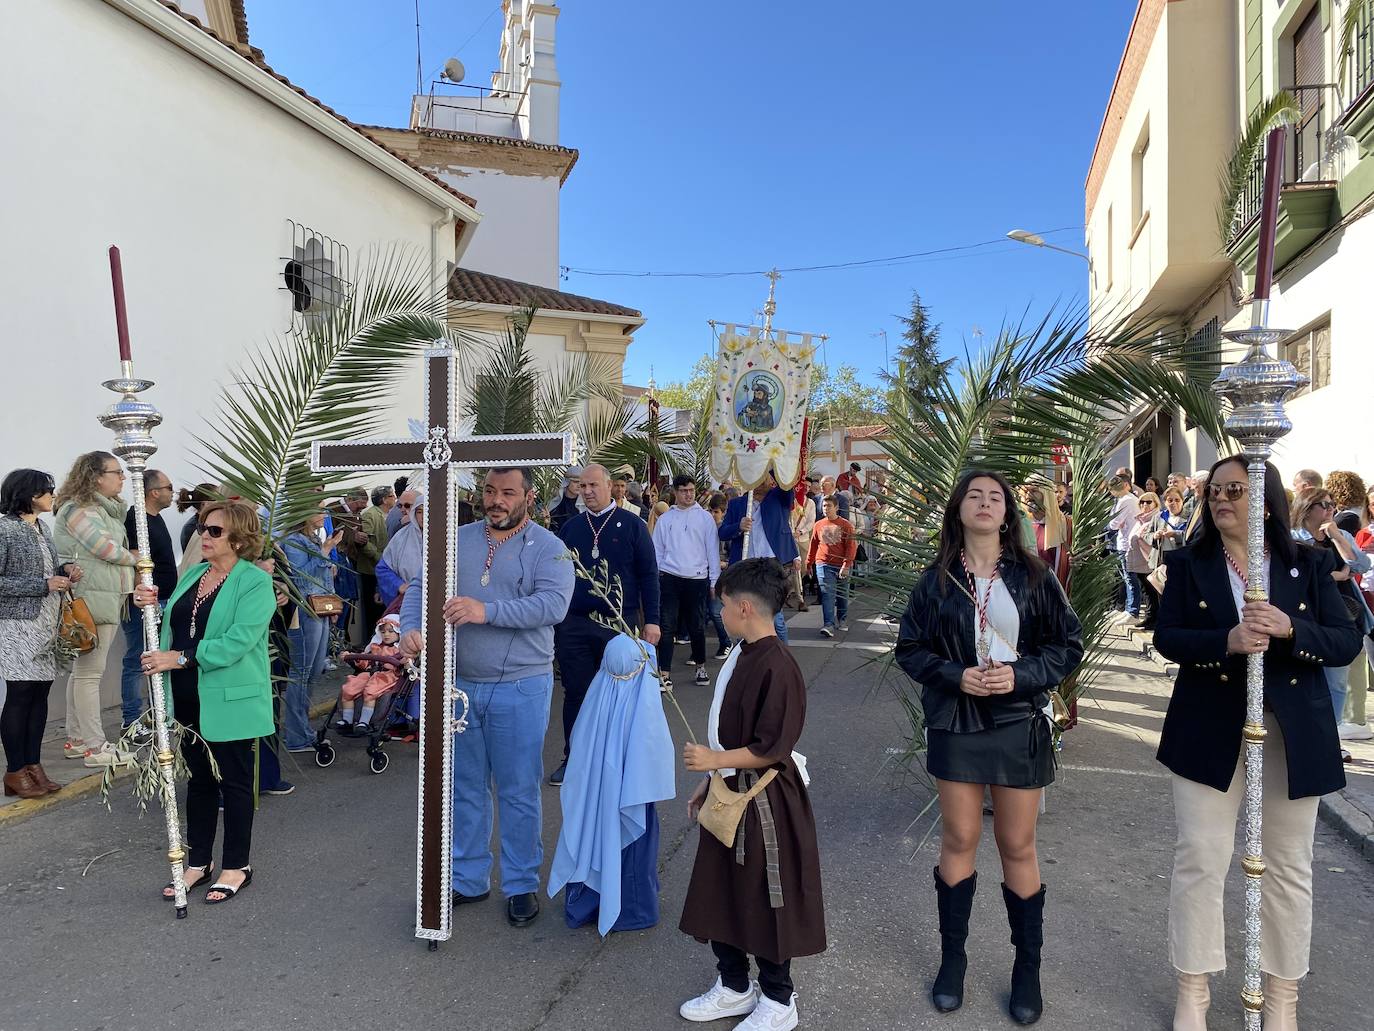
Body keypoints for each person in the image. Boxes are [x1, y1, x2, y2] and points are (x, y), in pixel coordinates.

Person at [1153, 457, 1360, 1030]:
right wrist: (1227, 640)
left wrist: (1290, 630)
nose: (1221, 499)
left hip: (1294, 734)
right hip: (1208, 726)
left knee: (1289, 865)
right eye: (1214, 491)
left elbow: (1347, 639)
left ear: (1264, 498)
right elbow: (1168, 636)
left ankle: (1281, 999)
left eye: (1235, 490)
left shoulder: (1310, 565)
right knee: (1200, 858)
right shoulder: (1189, 564)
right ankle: (1193, 991)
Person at [894, 469, 1084, 1024]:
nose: (983, 503)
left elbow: (1066, 644)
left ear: (1008, 514)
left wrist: (1021, 675)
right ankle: (952, 962)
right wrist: (956, 674)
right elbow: (910, 649)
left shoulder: (1034, 576)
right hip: (957, 720)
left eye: (994, 497)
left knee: (1016, 844)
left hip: (1018, 720)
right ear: (958, 510)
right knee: (959, 836)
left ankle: (1028, 970)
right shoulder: (936, 580)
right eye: (973, 496)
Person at [399, 467, 574, 927]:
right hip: (458, 685)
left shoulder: (549, 548)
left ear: (529, 498)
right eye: (490, 491)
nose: (496, 500)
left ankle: (520, 884)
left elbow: (553, 605)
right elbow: (420, 586)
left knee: (518, 789)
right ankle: (469, 879)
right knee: (465, 787)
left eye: (508, 492)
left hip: (521, 686)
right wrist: (411, 627)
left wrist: (485, 611)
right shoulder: (456, 539)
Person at [678, 558, 826, 1031]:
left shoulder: (777, 665)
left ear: (744, 607)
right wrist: (710, 778)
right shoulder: (744, 652)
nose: (718, 613)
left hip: (765, 802)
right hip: (731, 792)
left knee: (765, 895)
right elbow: (729, 735)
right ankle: (735, 985)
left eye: (723, 605)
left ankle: (779, 1000)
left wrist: (713, 763)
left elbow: (771, 747)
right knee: (723, 890)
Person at [136, 500, 276, 904]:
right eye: (202, 528)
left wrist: (180, 658)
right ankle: (198, 862)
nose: (204, 536)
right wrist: (153, 606)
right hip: (186, 696)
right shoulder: (195, 573)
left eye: (215, 530)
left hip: (231, 698)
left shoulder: (254, 582)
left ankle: (237, 865)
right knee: (198, 781)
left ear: (239, 537)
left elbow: (238, 641)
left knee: (233, 783)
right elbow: (179, 623)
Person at [548, 633, 675, 934]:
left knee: (593, 834)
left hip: (596, 801)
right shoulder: (644, 710)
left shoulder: (594, 705)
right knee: (632, 846)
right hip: (632, 801)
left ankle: (588, 901)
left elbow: (579, 760)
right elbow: (651, 764)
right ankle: (633, 909)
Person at [553, 464, 660, 785]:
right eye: (581, 486)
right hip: (574, 626)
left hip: (619, 624)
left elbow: (649, 575)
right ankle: (574, 758)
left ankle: (619, 761)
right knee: (576, 693)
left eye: (593, 485)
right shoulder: (571, 528)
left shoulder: (632, 525)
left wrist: (652, 620)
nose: (586, 491)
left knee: (618, 693)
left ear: (610, 486)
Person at [0, 469, 83, 798]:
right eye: (48, 490)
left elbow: (45, 569)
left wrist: (64, 571)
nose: (53, 495)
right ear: (30, 494)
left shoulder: (41, 526)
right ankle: (14, 770)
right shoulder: (5, 529)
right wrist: (42, 585)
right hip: (18, 625)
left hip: (47, 623)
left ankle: (34, 767)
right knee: (20, 697)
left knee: (39, 697)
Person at [52, 451, 137, 768]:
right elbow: (105, 549)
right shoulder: (79, 510)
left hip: (102, 597)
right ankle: (95, 747)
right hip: (92, 600)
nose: (123, 477)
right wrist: (137, 558)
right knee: (90, 674)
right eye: (117, 472)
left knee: (83, 673)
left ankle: (77, 740)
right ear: (96, 476)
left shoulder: (103, 510)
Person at [1290, 487, 1372, 762]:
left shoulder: (1342, 534)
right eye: (1323, 504)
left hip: (1342, 615)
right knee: (1304, 679)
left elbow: (1359, 566)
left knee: (1337, 681)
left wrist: (1336, 537)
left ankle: (1330, 739)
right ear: (1307, 507)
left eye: (1331, 504)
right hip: (1307, 616)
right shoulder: (1294, 537)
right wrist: (1336, 575)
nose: (1329, 509)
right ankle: (1303, 736)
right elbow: (1299, 576)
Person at [117, 469, 178, 742]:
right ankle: (131, 721)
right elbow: (133, 559)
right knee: (136, 660)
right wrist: (143, 597)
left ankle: (158, 715)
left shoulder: (157, 518)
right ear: (154, 492)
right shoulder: (136, 519)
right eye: (169, 487)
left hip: (162, 599)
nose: (172, 492)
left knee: (157, 659)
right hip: (145, 602)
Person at [280, 509, 343, 751]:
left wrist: (333, 603)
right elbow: (302, 581)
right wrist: (325, 551)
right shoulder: (294, 542)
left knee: (314, 671)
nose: (324, 514)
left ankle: (302, 729)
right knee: (302, 673)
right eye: (318, 509)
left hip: (320, 610)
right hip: (305, 612)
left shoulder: (313, 539)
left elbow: (324, 576)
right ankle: (296, 736)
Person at [653, 474, 720, 689]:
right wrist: (657, 578)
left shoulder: (705, 518)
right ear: (675, 492)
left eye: (691, 490)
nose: (688, 494)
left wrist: (713, 581)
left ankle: (700, 667)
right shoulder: (665, 519)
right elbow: (657, 551)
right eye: (683, 491)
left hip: (697, 578)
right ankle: (664, 673)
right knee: (667, 626)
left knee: (696, 626)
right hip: (670, 577)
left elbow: (712, 551)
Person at [719, 474, 799, 642]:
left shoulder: (779, 498)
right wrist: (738, 527)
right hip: (745, 566)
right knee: (744, 615)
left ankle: (781, 657)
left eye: (766, 477)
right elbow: (723, 532)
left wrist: (779, 466)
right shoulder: (737, 504)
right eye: (759, 476)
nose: (764, 482)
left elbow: (788, 489)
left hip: (771, 566)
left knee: (775, 619)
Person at [335, 614, 404, 733]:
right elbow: (365, 663)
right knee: (349, 688)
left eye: (390, 631)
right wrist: (355, 658)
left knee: (370, 690)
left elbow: (400, 664)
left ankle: (364, 722)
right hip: (370, 673)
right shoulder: (375, 646)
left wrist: (402, 662)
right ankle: (347, 720)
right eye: (383, 632)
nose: (386, 635)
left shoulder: (399, 650)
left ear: (398, 632)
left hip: (386, 675)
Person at [807, 495, 855, 637]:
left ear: (836, 508)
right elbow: (813, 544)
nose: (825, 509)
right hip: (823, 564)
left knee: (842, 594)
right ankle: (828, 624)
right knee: (827, 594)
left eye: (828, 506)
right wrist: (808, 563)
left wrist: (846, 565)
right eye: (823, 506)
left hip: (841, 565)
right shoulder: (818, 525)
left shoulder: (846, 525)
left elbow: (851, 546)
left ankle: (842, 619)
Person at [376, 494, 424, 608]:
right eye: (419, 512)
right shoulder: (401, 537)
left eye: (428, 511)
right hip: (409, 602)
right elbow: (383, 568)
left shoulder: (450, 537)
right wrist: (399, 585)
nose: (424, 516)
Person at [1107, 476, 1141, 622]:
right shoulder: (1124, 499)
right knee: (1127, 578)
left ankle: (1133, 610)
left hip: (1127, 543)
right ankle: (1129, 608)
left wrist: (1112, 524)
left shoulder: (1127, 500)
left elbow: (1114, 524)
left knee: (1130, 578)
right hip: (1124, 542)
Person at [1127, 491, 1161, 629]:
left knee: (1152, 591)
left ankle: (1153, 618)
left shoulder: (1157, 517)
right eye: (1142, 502)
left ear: (1156, 503)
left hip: (1148, 561)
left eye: (1148, 502)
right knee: (1147, 591)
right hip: (1139, 562)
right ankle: (1150, 617)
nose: (1145, 505)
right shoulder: (1141, 518)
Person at [705, 492, 732, 657]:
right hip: (703, 573)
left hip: (722, 575)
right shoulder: (705, 527)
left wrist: (723, 563)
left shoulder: (725, 530)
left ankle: (726, 642)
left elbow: (732, 556)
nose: (713, 515)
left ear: (723, 512)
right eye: (711, 511)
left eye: (716, 512)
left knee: (716, 611)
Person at [789, 488, 815, 611]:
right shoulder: (788, 500)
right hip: (788, 539)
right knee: (794, 569)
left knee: (804, 568)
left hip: (803, 539)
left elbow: (811, 521)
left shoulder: (810, 503)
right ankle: (800, 600)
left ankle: (790, 590)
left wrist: (801, 531)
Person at [174, 483, 220, 551]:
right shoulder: (192, 528)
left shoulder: (215, 522)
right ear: (204, 504)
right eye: (216, 499)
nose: (221, 502)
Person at [549, 467, 584, 533]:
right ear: (567, 482)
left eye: (581, 482)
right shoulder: (555, 503)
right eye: (575, 482)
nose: (579, 485)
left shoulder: (585, 505)